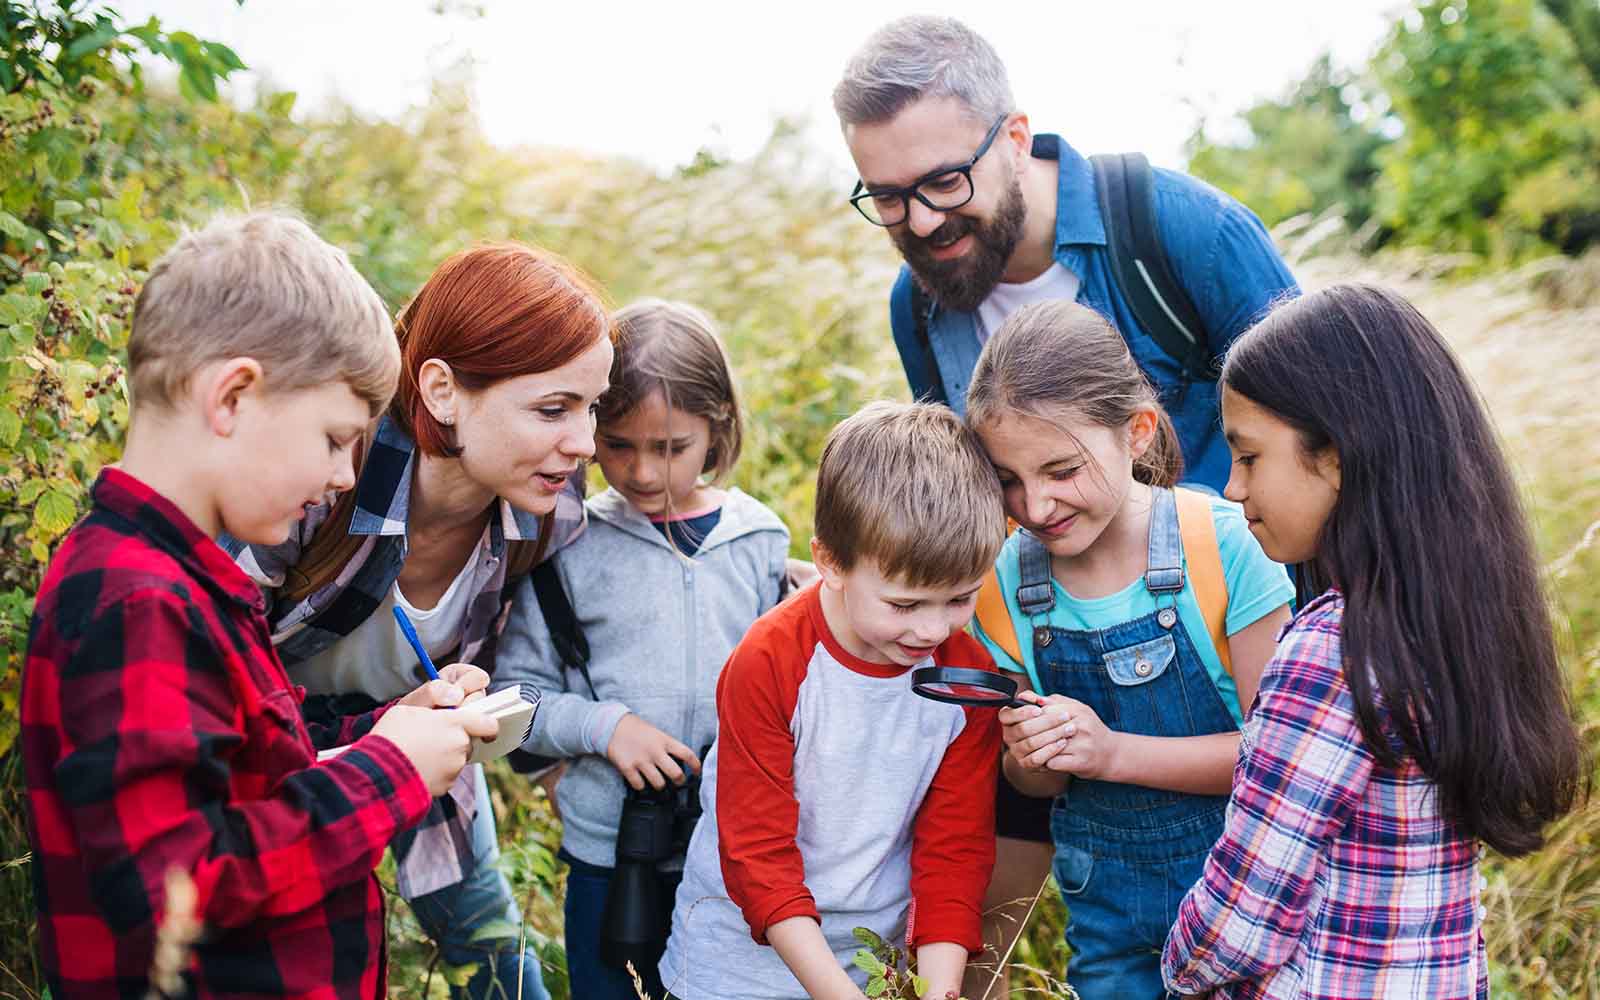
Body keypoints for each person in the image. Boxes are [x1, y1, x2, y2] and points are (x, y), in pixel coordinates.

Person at [832, 23, 1299, 983]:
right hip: (1046, 647)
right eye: (886, 197)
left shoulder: (1180, 233)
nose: (919, 221)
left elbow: (1327, 423)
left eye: (942, 182)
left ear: (1014, 138)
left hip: (1232, 639)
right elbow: (958, 502)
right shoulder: (919, 307)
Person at [20, 212, 500, 998]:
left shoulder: (189, 582)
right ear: (233, 397)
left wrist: (390, 728)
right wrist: (389, 772)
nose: (345, 476)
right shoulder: (139, 603)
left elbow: (249, 769)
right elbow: (178, 886)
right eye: (334, 438)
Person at [1162, 284, 1587, 999]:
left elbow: (1241, 921)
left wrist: (1176, 967)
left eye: (1250, 456)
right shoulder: (1453, 624)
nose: (1232, 488)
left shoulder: (1332, 652)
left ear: (1335, 455)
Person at [225, 242, 614, 1000]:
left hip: (420, 748)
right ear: (441, 390)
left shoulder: (549, 509)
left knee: (494, 957)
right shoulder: (323, 483)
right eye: (553, 409)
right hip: (272, 763)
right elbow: (212, 674)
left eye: (592, 406)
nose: (585, 443)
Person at [968, 300, 1294, 1000]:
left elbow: (1276, 762)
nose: (1035, 506)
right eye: (1008, 480)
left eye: (1062, 470)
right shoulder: (999, 587)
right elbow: (1037, 787)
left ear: (1137, 432)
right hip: (1110, 926)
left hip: (1243, 905)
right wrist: (1031, 759)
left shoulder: (1224, 545)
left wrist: (1111, 753)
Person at [657, 402, 1006, 1000]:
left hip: (874, 965)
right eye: (904, 604)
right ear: (830, 563)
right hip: (735, 972)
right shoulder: (770, 662)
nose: (931, 630)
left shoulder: (966, 680)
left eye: (959, 599)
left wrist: (939, 989)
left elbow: (955, 852)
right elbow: (758, 855)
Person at [493, 299, 790, 1000]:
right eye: (619, 444)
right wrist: (607, 729)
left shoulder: (758, 539)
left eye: (671, 447)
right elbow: (514, 701)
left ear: (717, 426)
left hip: (729, 852)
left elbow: (785, 693)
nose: (644, 472)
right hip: (609, 854)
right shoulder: (569, 541)